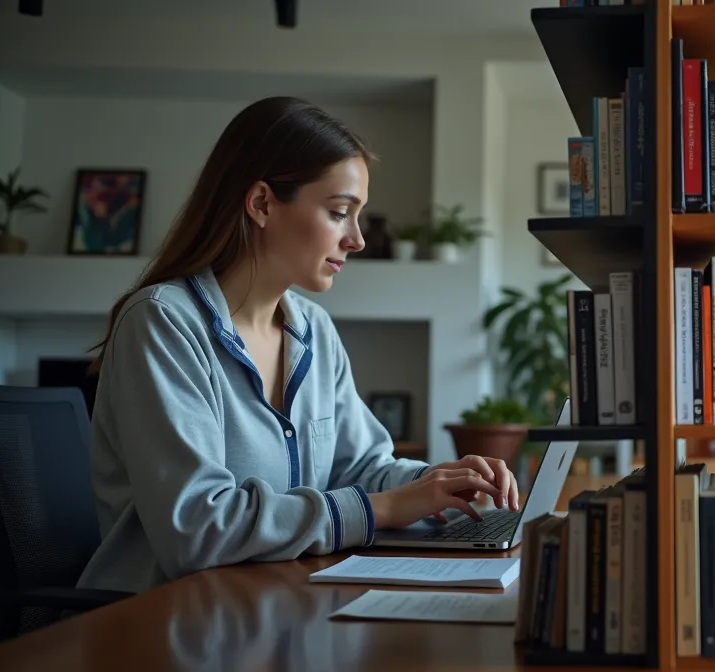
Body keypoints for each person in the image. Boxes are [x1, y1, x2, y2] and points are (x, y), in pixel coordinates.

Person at [77, 97, 519, 594]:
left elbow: (360, 467)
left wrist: (438, 482)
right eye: (339, 212)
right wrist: (386, 507)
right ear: (262, 204)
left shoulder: (314, 330)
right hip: (162, 617)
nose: (357, 239)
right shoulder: (163, 323)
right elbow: (197, 530)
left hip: (271, 599)